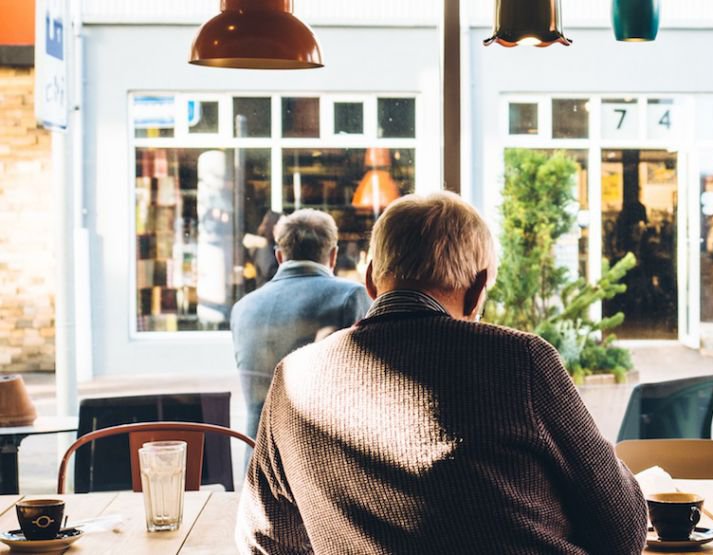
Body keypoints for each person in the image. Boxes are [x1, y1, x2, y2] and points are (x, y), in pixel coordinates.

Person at [236, 192, 648, 554]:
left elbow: (266, 540)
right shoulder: (520, 360)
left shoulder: (293, 379)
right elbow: (623, 533)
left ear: (370, 281)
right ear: (477, 288)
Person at [230, 209, 371, 440]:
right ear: (333, 255)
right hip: (318, 460)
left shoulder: (243, 307)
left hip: (256, 460)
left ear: (279, 257)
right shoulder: (350, 297)